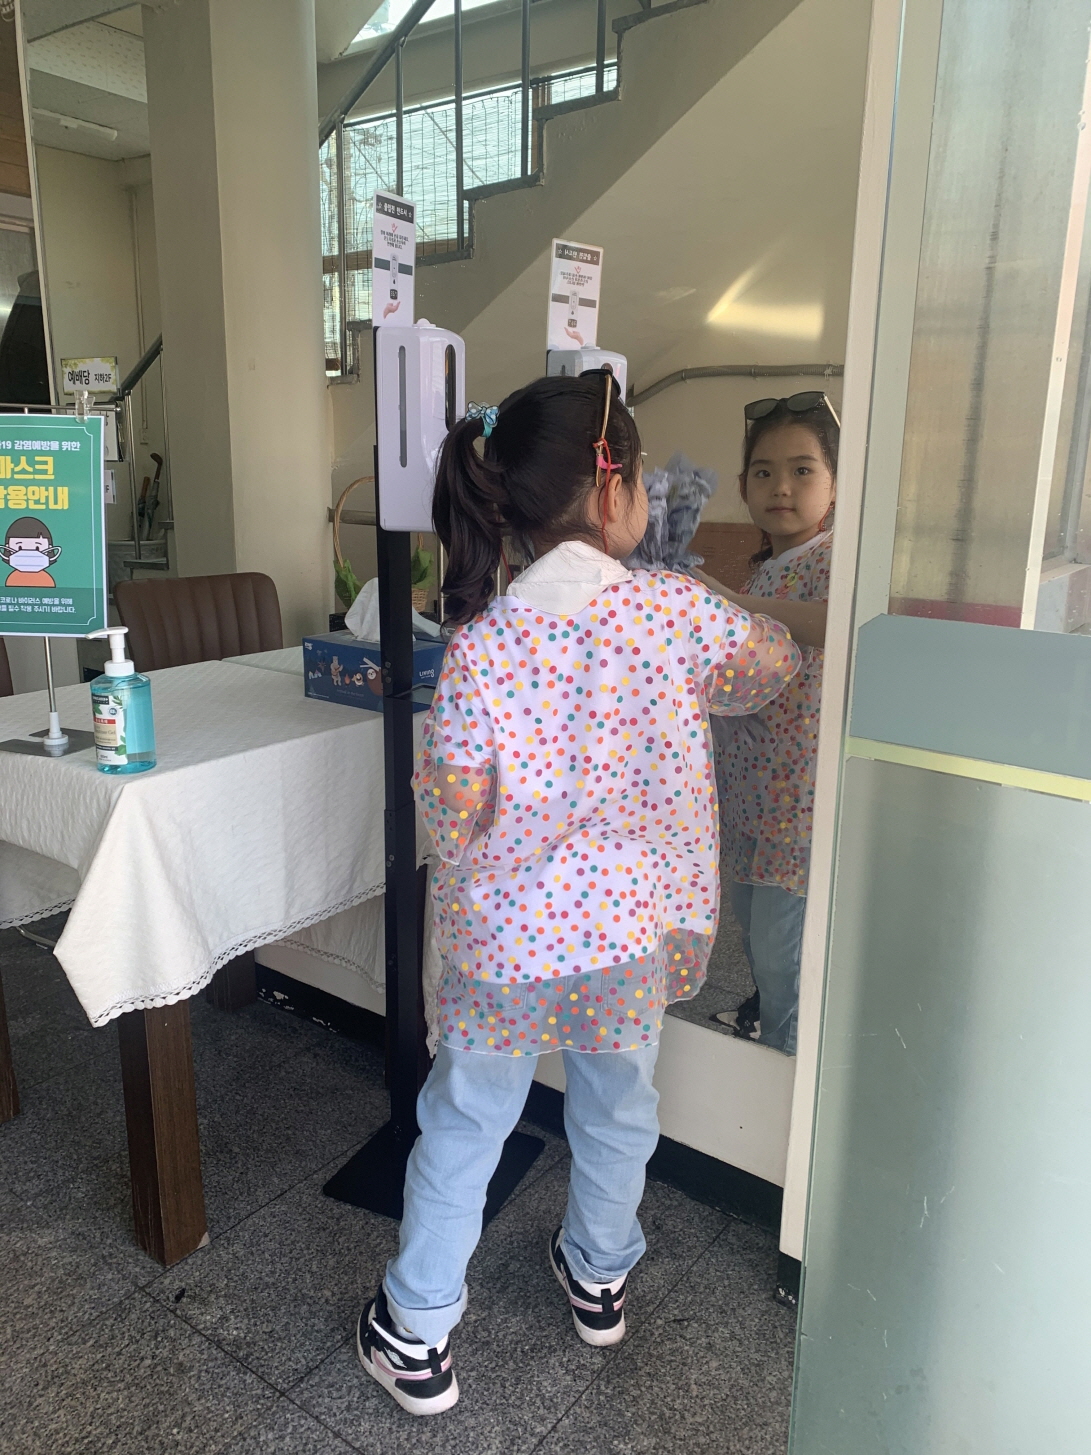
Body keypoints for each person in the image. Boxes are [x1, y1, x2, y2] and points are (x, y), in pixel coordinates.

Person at [357, 372, 802, 1416]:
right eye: (641, 477)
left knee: (466, 1122)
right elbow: (771, 668)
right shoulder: (674, 612)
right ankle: (598, 1274)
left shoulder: (480, 644)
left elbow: (451, 811)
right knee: (617, 1108)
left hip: (507, 946)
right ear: (612, 489)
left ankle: (416, 1330)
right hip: (626, 935)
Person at [695, 392, 839, 1056]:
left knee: (785, 955)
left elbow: (834, 625)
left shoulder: (834, 560)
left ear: (833, 484)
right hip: (750, 793)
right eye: (764, 471)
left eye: (802, 470)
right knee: (757, 938)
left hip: (799, 804)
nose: (781, 486)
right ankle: (773, 1038)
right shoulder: (767, 569)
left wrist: (731, 604)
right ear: (743, 485)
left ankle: (789, 1067)